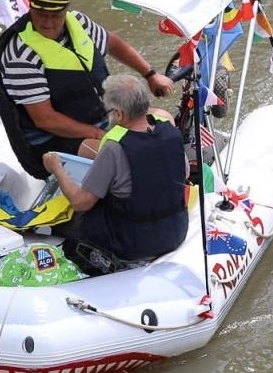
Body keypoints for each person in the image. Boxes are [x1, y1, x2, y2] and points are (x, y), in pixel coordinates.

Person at [0, 0, 175, 159]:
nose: (47, 23)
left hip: (103, 118)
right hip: (56, 139)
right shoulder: (19, 54)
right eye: (41, 14)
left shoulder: (78, 21)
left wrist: (150, 75)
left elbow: (113, 43)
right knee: (123, 155)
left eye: (55, 15)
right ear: (30, 6)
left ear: (66, 9)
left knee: (164, 120)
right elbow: (45, 119)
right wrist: (98, 133)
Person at [42, 73, 190, 264]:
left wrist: (56, 169)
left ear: (119, 114)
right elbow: (184, 173)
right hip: (176, 232)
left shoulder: (115, 146)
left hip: (134, 243)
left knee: (73, 219)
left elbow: (81, 202)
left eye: (109, 111)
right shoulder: (171, 132)